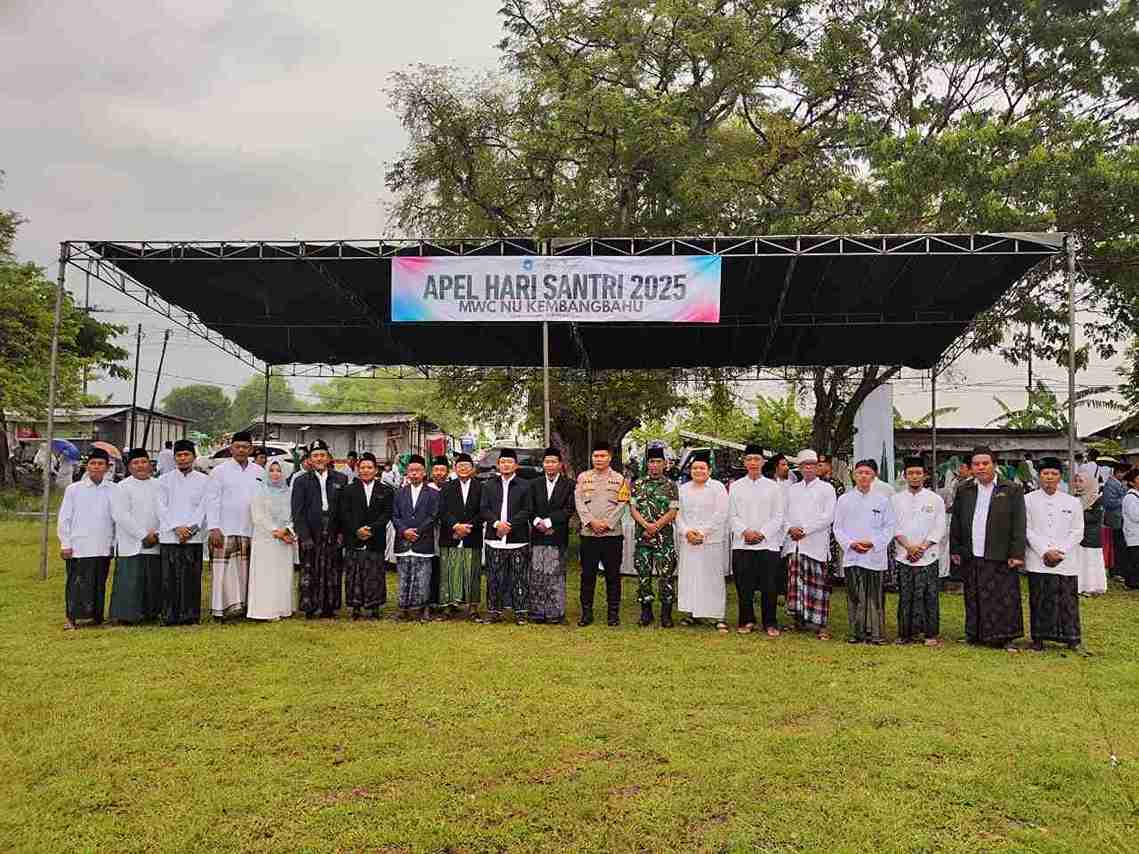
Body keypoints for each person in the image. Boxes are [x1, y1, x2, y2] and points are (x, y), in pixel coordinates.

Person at [950, 446, 1027, 651]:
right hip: (972, 552)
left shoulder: (1011, 489)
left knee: (1003, 596)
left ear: (994, 465)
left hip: (1000, 553)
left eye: (985, 463)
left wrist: (1017, 553)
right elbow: (956, 521)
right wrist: (955, 549)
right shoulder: (964, 489)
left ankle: (1005, 636)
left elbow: (1019, 523)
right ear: (971, 467)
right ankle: (974, 634)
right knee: (973, 594)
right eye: (976, 464)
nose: (981, 467)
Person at [1024, 457, 1085, 651]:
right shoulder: (1027, 500)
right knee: (1039, 599)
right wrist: (1044, 551)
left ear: (1060, 477)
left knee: (1067, 600)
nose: (1049, 477)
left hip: (1065, 559)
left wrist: (1061, 551)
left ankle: (1072, 639)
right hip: (1038, 558)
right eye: (1045, 473)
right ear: (1039, 476)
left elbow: (1078, 531)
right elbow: (1026, 529)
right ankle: (1038, 639)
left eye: (1054, 473)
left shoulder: (1072, 502)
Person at [834, 459, 897, 644]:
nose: (863, 476)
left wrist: (873, 543)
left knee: (875, 596)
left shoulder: (882, 500)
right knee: (855, 595)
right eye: (860, 472)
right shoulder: (844, 500)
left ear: (874, 476)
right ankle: (856, 633)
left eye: (867, 473)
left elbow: (889, 527)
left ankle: (876, 634)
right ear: (854, 475)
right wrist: (851, 544)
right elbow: (837, 528)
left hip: (874, 555)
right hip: (852, 555)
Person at [206, 430, 263, 621]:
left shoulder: (259, 471)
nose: (241, 450)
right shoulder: (219, 471)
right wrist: (214, 527)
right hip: (225, 528)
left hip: (250, 528)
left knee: (245, 571)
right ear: (231, 449)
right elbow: (212, 500)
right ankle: (220, 609)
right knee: (224, 572)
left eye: (245, 447)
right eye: (237, 446)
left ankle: (244, 607)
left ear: (251, 449)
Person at [728, 444, 785, 636]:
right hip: (742, 544)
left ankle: (770, 622)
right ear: (744, 462)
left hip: (768, 544)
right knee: (744, 586)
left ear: (763, 462)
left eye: (757, 459)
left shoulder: (773, 487)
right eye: (749, 459)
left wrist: (762, 533)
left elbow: (778, 516)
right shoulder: (735, 486)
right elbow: (731, 515)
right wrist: (745, 532)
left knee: (770, 586)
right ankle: (747, 620)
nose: (753, 463)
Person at [58, 446, 116, 629]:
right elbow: (64, 518)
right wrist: (65, 543)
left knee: (99, 582)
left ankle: (96, 617)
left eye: (100, 464)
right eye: (93, 463)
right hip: (79, 544)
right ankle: (71, 618)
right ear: (87, 466)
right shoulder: (74, 489)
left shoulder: (114, 489)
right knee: (76, 583)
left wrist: (114, 543)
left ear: (107, 467)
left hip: (103, 544)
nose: (96, 467)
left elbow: (117, 519)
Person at [782, 449, 838, 640]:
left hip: (815, 543)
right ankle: (798, 621)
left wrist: (804, 530)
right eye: (804, 465)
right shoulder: (792, 489)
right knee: (796, 585)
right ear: (799, 468)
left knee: (818, 586)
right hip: (794, 544)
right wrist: (790, 528)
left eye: (812, 465)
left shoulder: (826, 489)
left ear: (817, 468)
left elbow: (828, 516)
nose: (808, 468)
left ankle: (821, 625)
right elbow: (783, 514)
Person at [291, 438, 348, 619]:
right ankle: (310, 607)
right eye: (315, 455)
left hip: (333, 529)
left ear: (328, 457)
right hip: (311, 530)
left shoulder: (341, 479)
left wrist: (342, 533)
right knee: (310, 569)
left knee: (332, 569)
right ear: (309, 459)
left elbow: (345, 510)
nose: (319, 459)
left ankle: (329, 607)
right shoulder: (301, 481)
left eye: (322, 455)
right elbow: (297, 512)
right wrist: (304, 536)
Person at [892, 456, 945, 646]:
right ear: (905, 476)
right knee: (906, 595)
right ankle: (905, 634)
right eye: (910, 473)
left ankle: (930, 634)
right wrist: (908, 547)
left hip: (928, 555)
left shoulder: (935, 499)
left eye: (918, 473)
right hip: (904, 554)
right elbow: (893, 526)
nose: (914, 476)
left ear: (925, 475)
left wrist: (922, 547)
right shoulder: (895, 500)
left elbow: (939, 527)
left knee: (929, 595)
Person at [676, 451, 730, 633]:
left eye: (702, 468)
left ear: (709, 470)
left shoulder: (717, 488)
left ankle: (717, 616)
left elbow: (721, 513)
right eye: (694, 468)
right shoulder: (683, 489)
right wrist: (686, 532)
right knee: (690, 577)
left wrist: (702, 533)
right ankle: (692, 613)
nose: (698, 471)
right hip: (688, 541)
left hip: (710, 541)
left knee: (712, 578)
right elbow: (677, 514)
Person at [157, 439, 210, 625]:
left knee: (191, 577)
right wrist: (176, 528)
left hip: (193, 537)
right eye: (179, 455)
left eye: (186, 454)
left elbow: (204, 507)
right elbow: (161, 507)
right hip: (170, 536)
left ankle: (190, 616)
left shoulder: (204, 480)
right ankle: (169, 616)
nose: (182, 458)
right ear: (174, 458)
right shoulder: (164, 480)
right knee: (169, 578)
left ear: (194, 457)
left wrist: (191, 529)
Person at [108, 447, 163, 624]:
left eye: (143, 462)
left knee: (152, 578)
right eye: (135, 463)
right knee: (130, 580)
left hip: (156, 540)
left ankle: (151, 613)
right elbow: (121, 515)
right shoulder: (122, 487)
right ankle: (127, 615)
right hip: (131, 540)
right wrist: (142, 535)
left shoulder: (159, 485)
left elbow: (165, 512)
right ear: (130, 467)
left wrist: (157, 534)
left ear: (150, 465)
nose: (140, 466)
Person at [575, 441, 626, 626]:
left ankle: (613, 614)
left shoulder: (619, 479)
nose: (599, 459)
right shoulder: (583, 477)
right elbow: (579, 502)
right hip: (589, 534)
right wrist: (591, 522)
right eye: (596, 456)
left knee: (613, 576)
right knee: (587, 576)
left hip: (612, 536)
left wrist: (607, 524)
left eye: (603, 456)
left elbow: (622, 503)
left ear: (610, 458)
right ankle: (586, 613)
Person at [480, 448, 533, 624]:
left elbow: (527, 509)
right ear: (498, 464)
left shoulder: (525, 485)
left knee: (519, 577)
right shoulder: (489, 485)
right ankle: (494, 611)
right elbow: (484, 509)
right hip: (494, 538)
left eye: (509, 462)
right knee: (494, 577)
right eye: (503, 462)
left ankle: (520, 612)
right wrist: (497, 524)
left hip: (517, 539)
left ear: (516, 465)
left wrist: (509, 525)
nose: (506, 465)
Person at [629, 446, 681, 628]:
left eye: (658, 462)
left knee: (666, 576)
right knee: (643, 575)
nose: (655, 465)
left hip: (663, 539)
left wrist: (656, 526)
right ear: (647, 463)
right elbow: (633, 509)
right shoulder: (637, 484)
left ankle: (666, 614)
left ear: (665, 464)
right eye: (651, 461)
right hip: (643, 538)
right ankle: (646, 612)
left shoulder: (671, 485)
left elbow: (673, 511)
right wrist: (646, 526)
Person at [339, 452, 393, 620]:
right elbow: (344, 513)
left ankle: (374, 606)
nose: (366, 470)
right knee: (354, 573)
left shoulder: (385, 490)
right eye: (362, 467)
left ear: (376, 470)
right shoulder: (348, 490)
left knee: (375, 573)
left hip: (375, 538)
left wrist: (370, 529)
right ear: (358, 469)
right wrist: (357, 530)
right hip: (353, 537)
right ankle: (356, 606)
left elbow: (387, 514)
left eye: (369, 467)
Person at [528, 447, 575, 625]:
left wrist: (549, 522)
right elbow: (529, 507)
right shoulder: (534, 484)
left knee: (556, 573)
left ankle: (556, 612)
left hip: (557, 533)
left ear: (560, 464)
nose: (550, 465)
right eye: (547, 462)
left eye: (553, 462)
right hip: (537, 535)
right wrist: (537, 522)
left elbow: (569, 509)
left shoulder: (569, 484)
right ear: (543, 464)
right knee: (537, 573)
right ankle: (537, 612)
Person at [392, 454, 439, 621]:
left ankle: (422, 607)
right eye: (411, 470)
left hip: (423, 540)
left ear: (424, 472)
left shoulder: (433, 494)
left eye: (418, 470)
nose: (414, 474)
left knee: (423, 577)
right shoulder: (399, 493)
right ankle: (403, 607)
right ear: (407, 472)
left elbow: (433, 516)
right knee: (404, 576)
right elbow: (395, 515)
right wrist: (404, 531)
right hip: (403, 541)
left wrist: (417, 531)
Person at [247, 460, 297, 621]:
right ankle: (264, 610)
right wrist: (275, 530)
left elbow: (295, 514)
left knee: (283, 574)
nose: (275, 474)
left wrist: (287, 530)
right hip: (265, 538)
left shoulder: (290, 492)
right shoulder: (260, 491)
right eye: (272, 470)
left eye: (278, 470)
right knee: (265, 574)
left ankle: (282, 608)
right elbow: (257, 515)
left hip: (285, 539)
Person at [438, 452, 484, 620]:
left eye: (466, 466)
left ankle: (473, 607)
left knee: (472, 572)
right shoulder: (446, 487)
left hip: (473, 534)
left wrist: (468, 527)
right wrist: (456, 526)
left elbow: (484, 510)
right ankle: (449, 606)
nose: (463, 468)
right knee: (450, 571)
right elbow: (442, 510)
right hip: (450, 534)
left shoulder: (481, 487)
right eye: (460, 466)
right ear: (454, 469)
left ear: (473, 468)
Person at [1074, 473, 1107, 596]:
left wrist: (1076, 513)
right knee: (1080, 562)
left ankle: (1092, 587)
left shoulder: (1096, 498)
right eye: (1076, 481)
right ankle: (1080, 585)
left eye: (1081, 481)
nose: (1077, 484)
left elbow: (1095, 517)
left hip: (1091, 536)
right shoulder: (1076, 497)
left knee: (1091, 563)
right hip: (1079, 537)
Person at [427, 456, 450, 614]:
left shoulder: (451, 488)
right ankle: (432, 599)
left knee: (446, 567)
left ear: (447, 472)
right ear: (431, 472)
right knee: (433, 566)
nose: (439, 473)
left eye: (442, 470)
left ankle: (447, 600)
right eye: (436, 470)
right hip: (430, 534)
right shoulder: (426, 489)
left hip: (448, 533)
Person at [1102, 460, 1130, 580]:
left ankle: (1120, 570)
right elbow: (1109, 502)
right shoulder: (1111, 484)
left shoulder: (1119, 483)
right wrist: (1125, 498)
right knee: (1116, 546)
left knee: (1120, 546)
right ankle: (1115, 571)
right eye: (1124, 473)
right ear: (1118, 472)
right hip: (1114, 520)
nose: (1124, 476)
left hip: (1119, 519)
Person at [1123, 468, 1139, 591]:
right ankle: (1132, 582)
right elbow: (1135, 515)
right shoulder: (1130, 497)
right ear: (1132, 482)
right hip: (1134, 533)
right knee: (1134, 559)